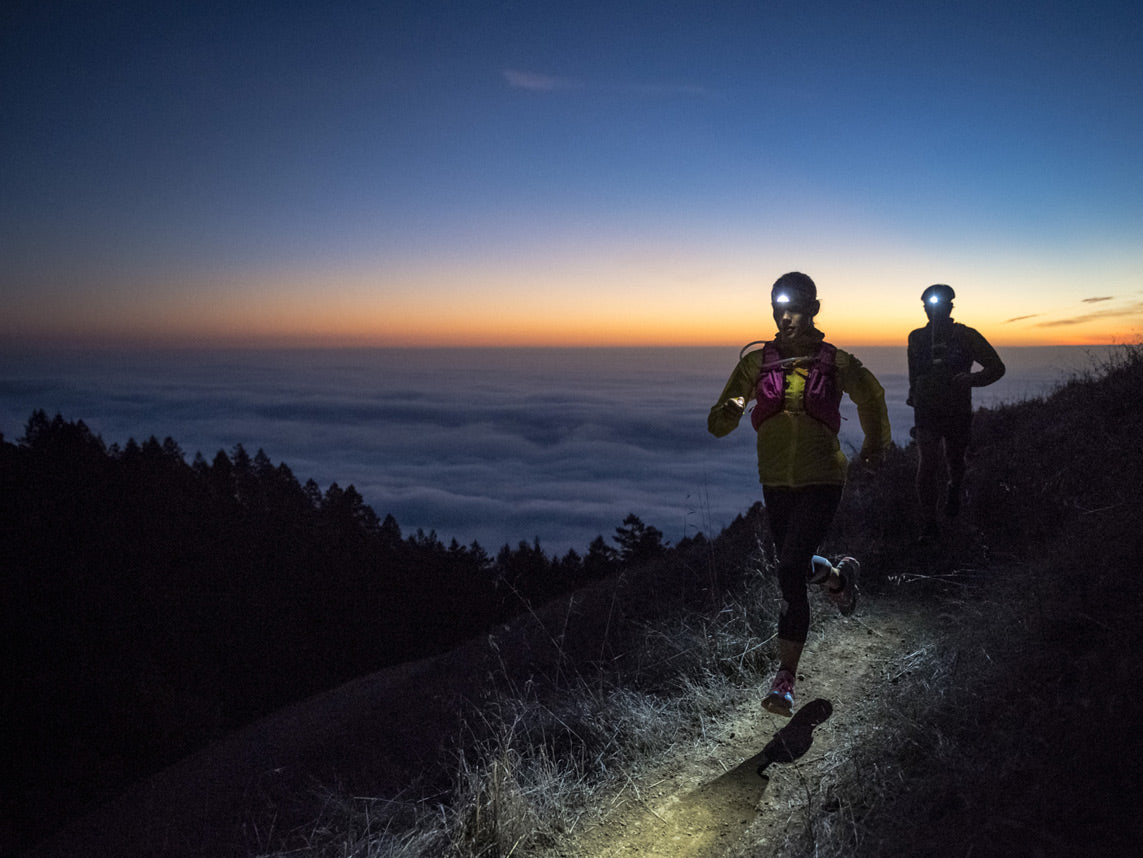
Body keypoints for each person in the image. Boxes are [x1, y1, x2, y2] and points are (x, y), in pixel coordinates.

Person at [708, 272, 891, 718]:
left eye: (794, 307)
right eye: (778, 308)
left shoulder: (836, 361)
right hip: (775, 481)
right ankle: (839, 579)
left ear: (814, 309)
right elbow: (718, 423)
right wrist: (733, 405)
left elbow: (872, 396)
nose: (785, 316)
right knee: (794, 560)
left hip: (824, 477)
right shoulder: (755, 363)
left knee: (789, 567)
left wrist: (875, 446)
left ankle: (785, 680)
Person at [907, 284, 1005, 543]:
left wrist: (971, 379)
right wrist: (914, 397)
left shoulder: (966, 336)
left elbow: (996, 367)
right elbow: (914, 374)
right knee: (927, 464)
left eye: (937, 305)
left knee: (955, 459)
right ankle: (930, 524)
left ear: (950, 307)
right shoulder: (915, 338)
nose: (932, 310)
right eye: (928, 306)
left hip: (957, 411)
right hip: (927, 412)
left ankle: (955, 488)